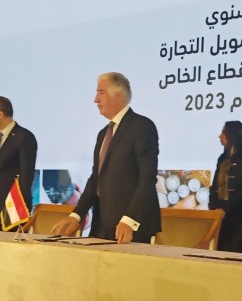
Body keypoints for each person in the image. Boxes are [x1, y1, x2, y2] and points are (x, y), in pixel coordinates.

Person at [51, 72, 160, 243]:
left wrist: (129, 220)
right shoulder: (103, 134)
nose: (95, 99)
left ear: (118, 96)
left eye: (101, 92)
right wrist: (76, 215)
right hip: (101, 226)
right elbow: (96, 179)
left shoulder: (142, 127)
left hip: (130, 229)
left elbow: (147, 178)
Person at [0, 97, 37, 231]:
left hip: (13, 208)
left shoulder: (24, 137)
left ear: (0, 114)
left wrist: (21, 207)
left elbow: (26, 176)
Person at [208, 121, 242, 253]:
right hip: (221, 218)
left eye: (223, 132)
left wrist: (226, 209)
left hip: (240, 217)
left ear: (232, 134)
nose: (220, 136)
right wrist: (213, 208)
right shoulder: (222, 159)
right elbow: (214, 186)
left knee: (239, 256)